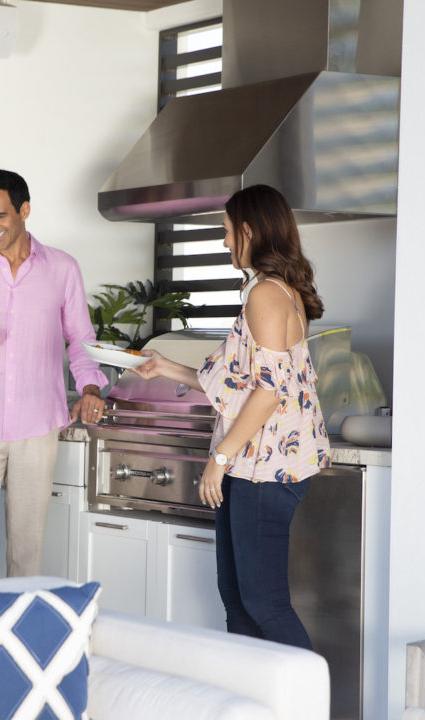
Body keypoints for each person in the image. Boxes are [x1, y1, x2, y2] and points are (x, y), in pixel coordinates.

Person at [131, 184, 330, 649]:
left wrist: (218, 459)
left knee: (264, 604)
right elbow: (240, 384)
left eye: (225, 231)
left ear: (249, 230)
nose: (223, 242)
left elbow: (269, 391)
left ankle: (310, 690)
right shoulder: (272, 291)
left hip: (263, 469)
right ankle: (248, 687)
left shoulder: (266, 294)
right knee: (238, 600)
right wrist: (165, 367)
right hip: (254, 466)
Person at [0, 169, 108, 582]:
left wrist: (90, 387)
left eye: (0, 215)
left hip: (37, 423)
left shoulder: (62, 269)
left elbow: (80, 339)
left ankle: (21, 618)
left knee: (28, 542)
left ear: (24, 210)